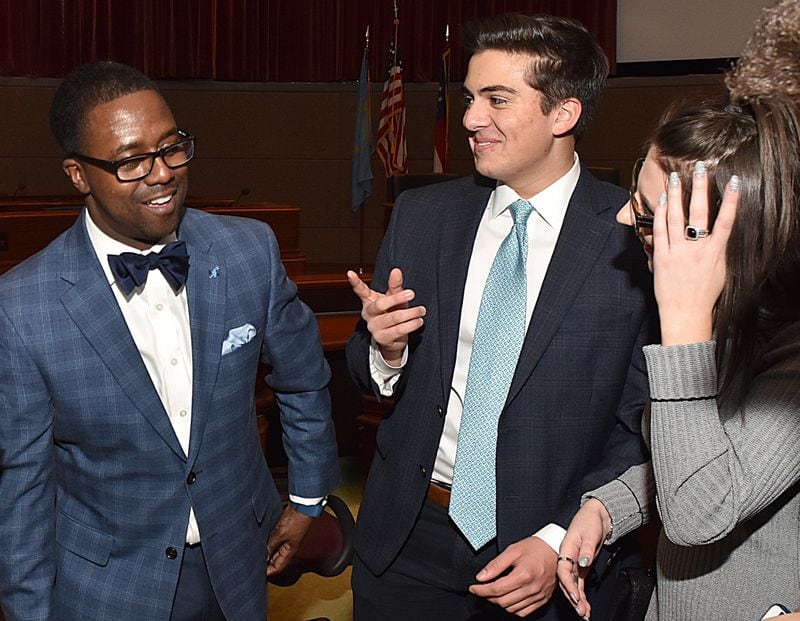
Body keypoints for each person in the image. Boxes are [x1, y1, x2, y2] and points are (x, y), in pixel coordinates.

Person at [0, 61, 340, 620]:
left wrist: (307, 496)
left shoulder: (249, 251)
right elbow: (24, 491)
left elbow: (303, 380)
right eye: (131, 160)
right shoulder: (22, 308)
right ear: (78, 174)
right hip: (108, 587)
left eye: (171, 147)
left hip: (240, 559)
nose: (161, 174)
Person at [346, 13, 656, 620]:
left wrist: (557, 537)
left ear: (563, 114)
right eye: (470, 98)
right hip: (406, 540)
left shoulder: (632, 234)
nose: (469, 119)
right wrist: (385, 352)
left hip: (552, 555)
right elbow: (366, 371)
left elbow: (645, 424)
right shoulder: (421, 216)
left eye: (498, 100)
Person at [556, 73, 800, 621]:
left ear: (714, 231)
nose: (624, 219)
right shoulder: (733, 322)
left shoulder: (785, 354)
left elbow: (697, 511)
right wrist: (609, 505)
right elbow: (698, 455)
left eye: (645, 211)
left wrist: (684, 318)